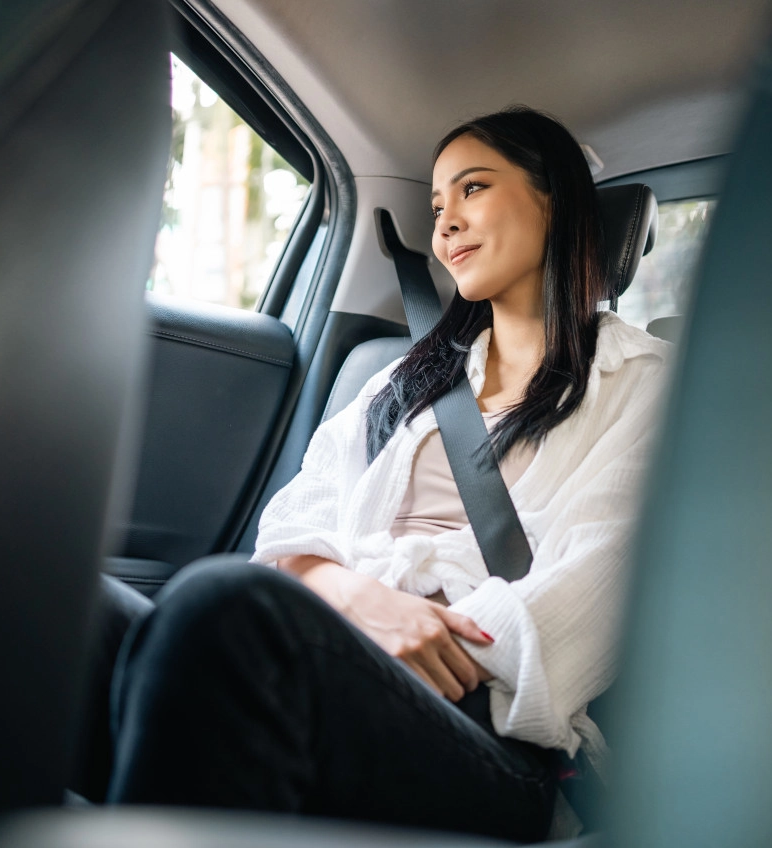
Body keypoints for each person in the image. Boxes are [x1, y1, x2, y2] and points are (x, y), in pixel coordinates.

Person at [97, 106, 670, 842]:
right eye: (436, 207)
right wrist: (357, 602)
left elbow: (591, 595)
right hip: (343, 644)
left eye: (473, 189)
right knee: (52, 598)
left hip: (499, 730)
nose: (446, 224)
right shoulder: (407, 378)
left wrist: (422, 638)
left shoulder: (646, 385)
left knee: (230, 609)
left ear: (552, 197)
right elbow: (294, 525)